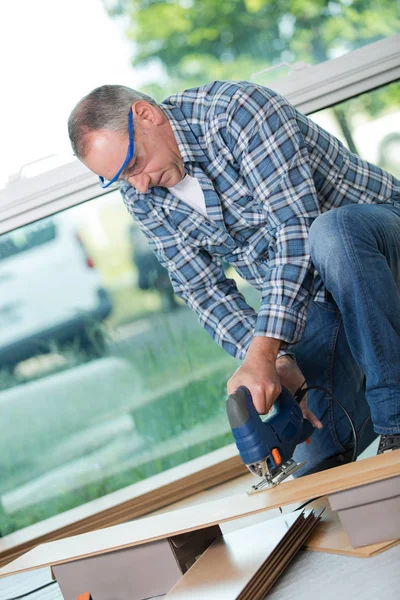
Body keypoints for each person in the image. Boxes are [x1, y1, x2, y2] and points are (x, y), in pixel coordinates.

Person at [68, 81, 400, 475]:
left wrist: (262, 352)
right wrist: (275, 359)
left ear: (146, 115)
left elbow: (296, 231)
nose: (137, 183)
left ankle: (395, 421)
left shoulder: (235, 112)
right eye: (121, 178)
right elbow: (202, 289)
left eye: (134, 163)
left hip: (377, 246)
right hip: (314, 300)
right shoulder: (140, 192)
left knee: (331, 232)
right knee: (315, 458)